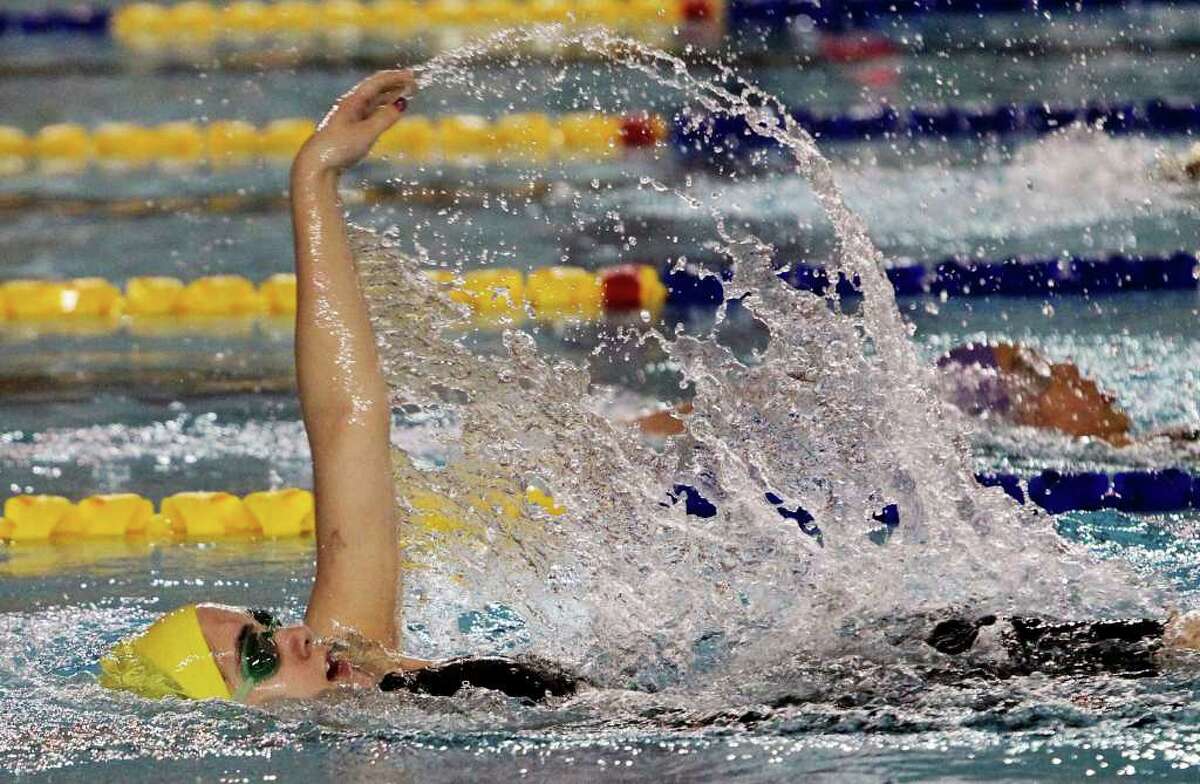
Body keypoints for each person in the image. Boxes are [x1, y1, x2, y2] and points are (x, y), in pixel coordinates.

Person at [98, 71, 1200, 706]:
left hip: (736, 702)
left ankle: (1168, 641)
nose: (286, 636)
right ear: (230, 717)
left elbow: (350, 417)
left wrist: (315, 181)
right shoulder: (356, 738)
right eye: (254, 654)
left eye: (262, 624)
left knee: (954, 639)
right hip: (740, 732)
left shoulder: (362, 639)